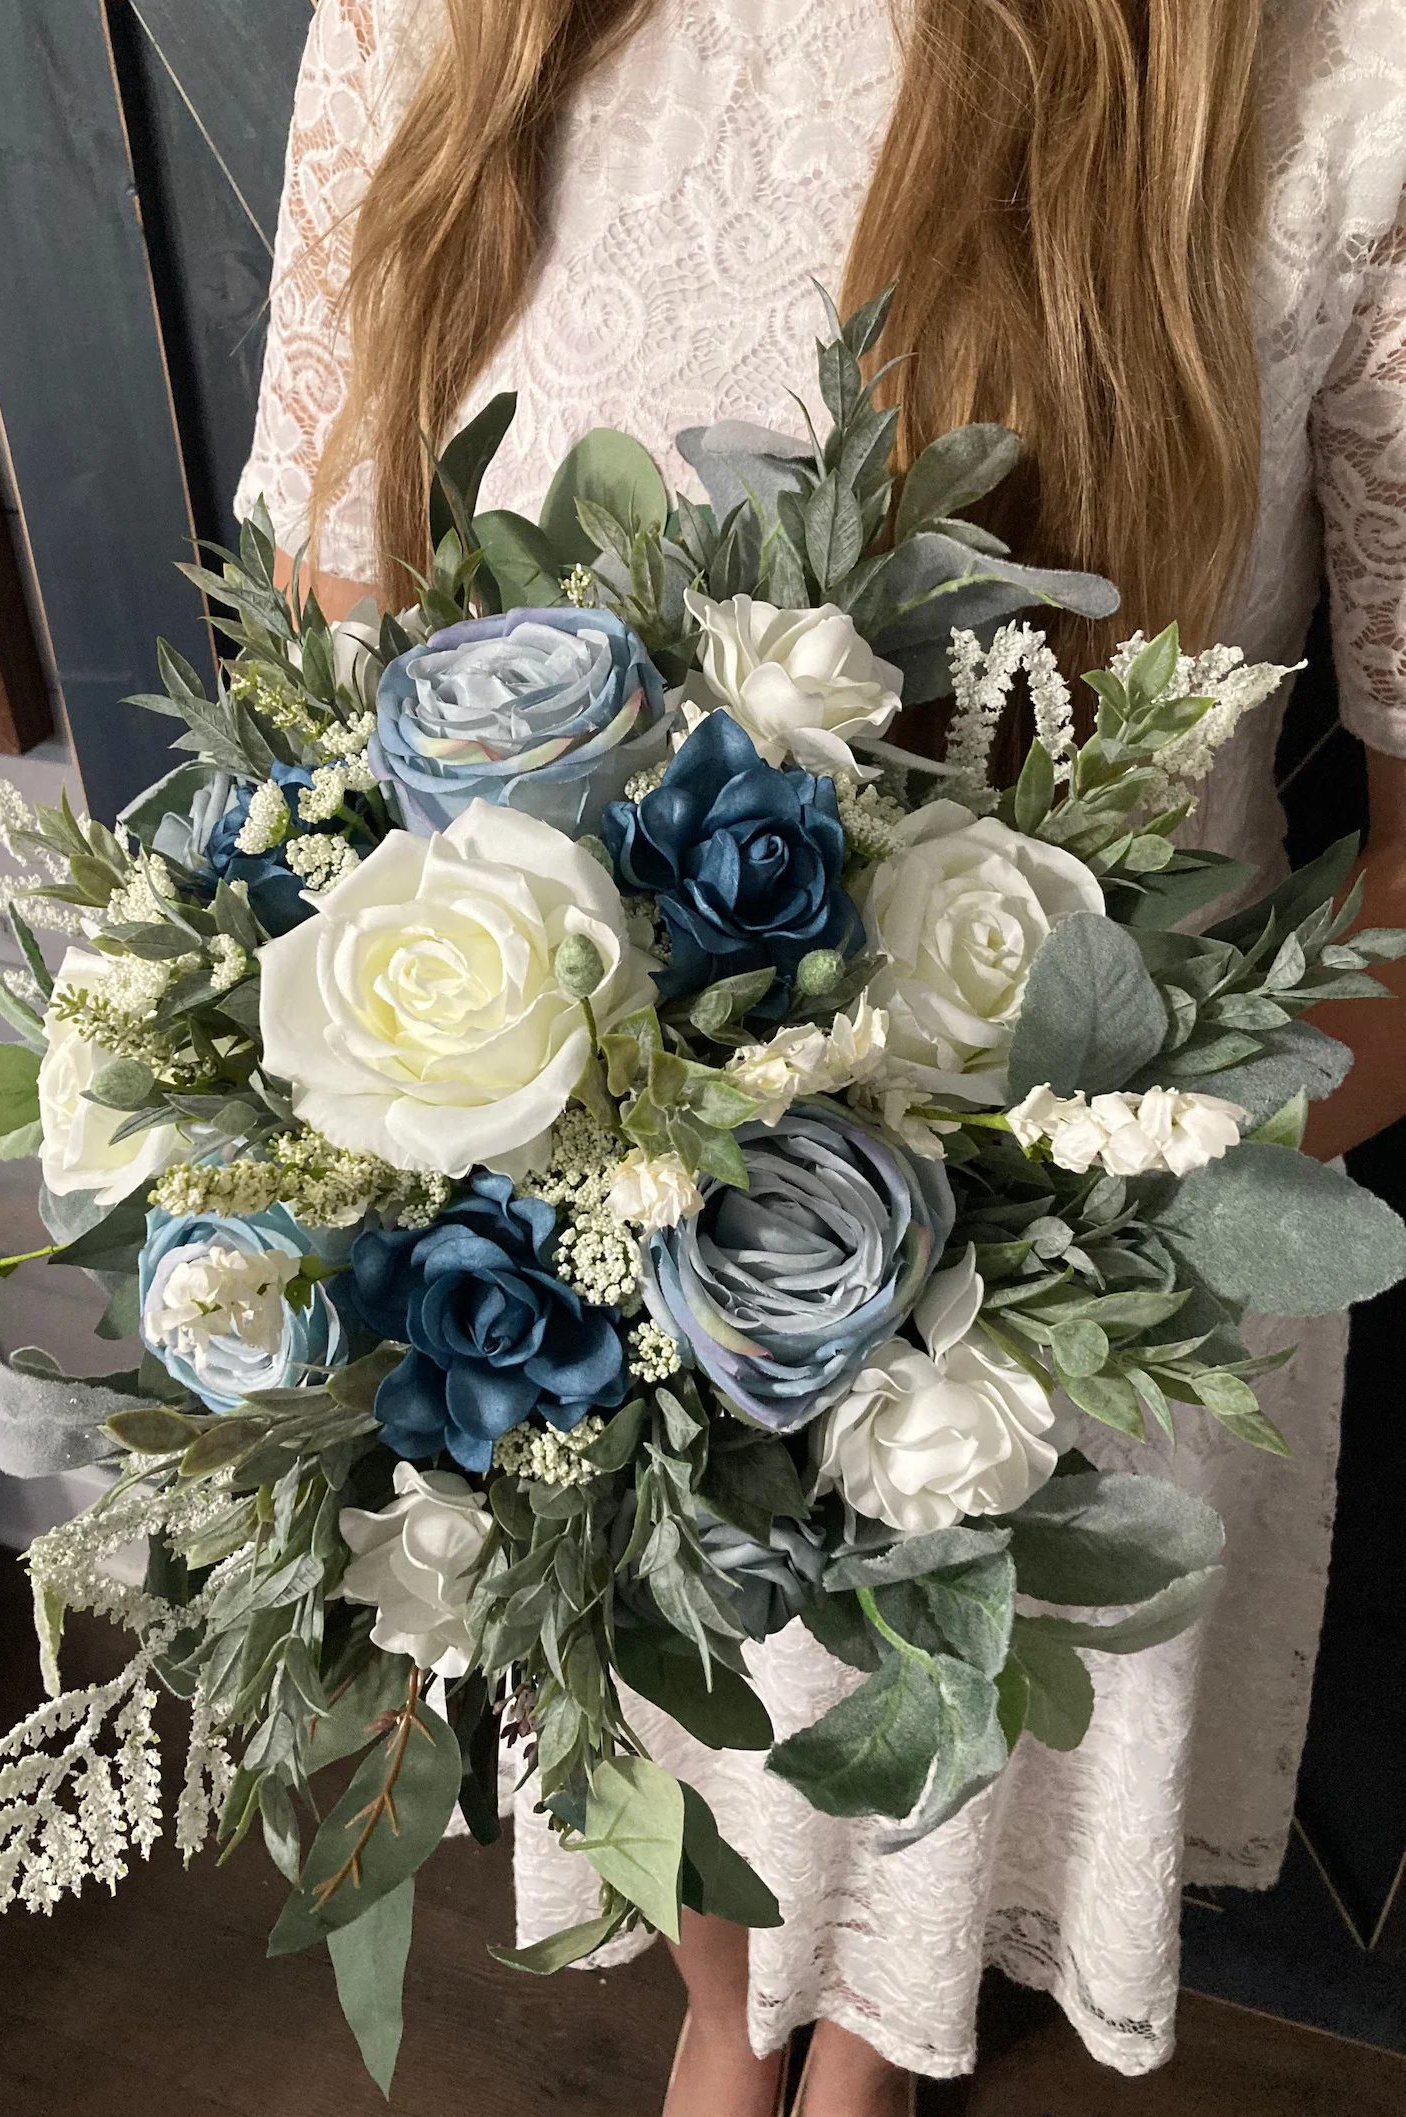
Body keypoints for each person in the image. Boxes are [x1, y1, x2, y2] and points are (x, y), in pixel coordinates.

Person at [236, 4, 1406, 2110]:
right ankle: (724, 2017)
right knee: (696, 1721)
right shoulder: (430, 26)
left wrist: (1098, 1209)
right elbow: (327, 687)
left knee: (928, 1769)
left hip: (1066, 1277)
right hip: (559, 1231)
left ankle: (864, 2047)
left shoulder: (1332, 71)